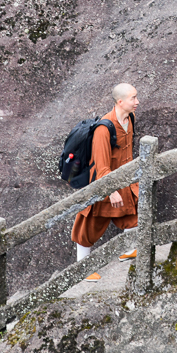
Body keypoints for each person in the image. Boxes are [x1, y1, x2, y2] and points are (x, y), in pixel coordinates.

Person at [72, 83, 140, 282]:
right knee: (90, 224)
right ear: (121, 102)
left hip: (124, 180)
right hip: (104, 184)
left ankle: (130, 249)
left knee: (133, 211)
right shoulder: (104, 128)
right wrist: (111, 191)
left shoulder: (130, 118)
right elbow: (101, 166)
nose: (137, 102)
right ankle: (82, 269)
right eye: (133, 98)